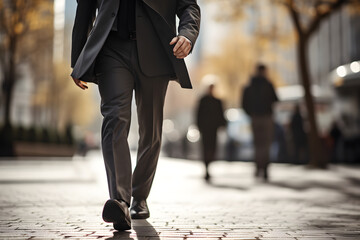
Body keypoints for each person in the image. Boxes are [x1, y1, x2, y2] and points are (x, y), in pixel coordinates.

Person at [71, 0, 200, 231]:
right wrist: (78, 59)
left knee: (151, 130)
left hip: (156, 47)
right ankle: (120, 201)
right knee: (114, 118)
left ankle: (139, 195)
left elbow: (189, 5)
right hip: (110, 48)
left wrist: (187, 35)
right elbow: (86, 7)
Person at [242, 64, 278, 181]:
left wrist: (251, 114)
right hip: (266, 117)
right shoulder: (268, 84)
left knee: (258, 144)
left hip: (256, 118)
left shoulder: (249, 85)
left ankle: (259, 168)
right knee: (265, 144)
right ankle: (265, 169)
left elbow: (244, 103)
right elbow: (275, 99)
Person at [196, 84, 226, 181]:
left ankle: (208, 165)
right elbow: (198, 114)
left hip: (213, 129)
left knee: (212, 148)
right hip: (206, 129)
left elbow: (221, 114)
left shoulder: (217, 101)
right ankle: (206, 167)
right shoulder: (203, 100)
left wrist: (222, 125)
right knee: (206, 148)